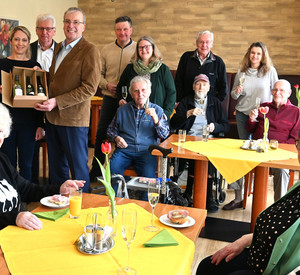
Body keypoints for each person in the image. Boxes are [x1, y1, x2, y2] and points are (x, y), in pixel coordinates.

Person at [196, 128, 300, 275]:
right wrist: (244, 240)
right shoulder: (298, 187)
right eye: (299, 144)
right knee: (207, 266)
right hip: (259, 254)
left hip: (274, 269)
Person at [34, 7, 101, 193]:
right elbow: (58, 79)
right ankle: (59, 206)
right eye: (67, 21)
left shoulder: (90, 51)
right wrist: (40, 76)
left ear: (83, 27)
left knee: (78, 170)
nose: (71, 26)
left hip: (73, 121)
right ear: (63, 24)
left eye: (76, 22)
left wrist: (57, 101)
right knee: (57, 171)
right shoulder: (59, 47)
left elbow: (89, 88)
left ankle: (85, 207)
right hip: (53, 118)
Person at [0, 103, 84, 231]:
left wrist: (59, 189)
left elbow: (26, 189)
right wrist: (15, 218)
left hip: (18, 233)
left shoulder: (2, 160)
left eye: (0, 131)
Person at [225, 79, 300, 211]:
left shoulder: (296, 112)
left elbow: (293, 139)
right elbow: (250, 129)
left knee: (282, 171)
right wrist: (252, 119)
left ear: (289, 93)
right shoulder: (264, 106)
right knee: (234, 159)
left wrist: (275, 148)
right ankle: (238, 198)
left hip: (279, 153)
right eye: (275, 89)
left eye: (281, 90)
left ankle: (279, 206)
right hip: (257, 149)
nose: (277, 93)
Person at [223, 42, 278, 211]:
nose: (255, 56)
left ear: (263, 56)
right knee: (242, 154)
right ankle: (239, 197)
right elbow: (233, 95)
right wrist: (237, 91)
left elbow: (276, 92)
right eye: (252, 53)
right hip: (242, 115)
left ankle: (255, 193)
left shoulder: (269, 72)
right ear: (249, 54)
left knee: (257, 153)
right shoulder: (242, 71)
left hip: (261, 117)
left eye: (258, 54)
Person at [170, 74, 229, 212]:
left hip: (209, 139)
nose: (201, 87)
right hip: (189, 140)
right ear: (193, 86)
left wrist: (215, 127)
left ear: (209, 88)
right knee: (195, 156)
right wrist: (188, 113)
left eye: (204, 85)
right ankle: (196, 195)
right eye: (198, 84)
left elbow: (226, 126)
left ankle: (199, 195)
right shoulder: (186, 101)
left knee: (206, 156)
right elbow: (173, 123)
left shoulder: (214, 102)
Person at [89, 16, 136, 180]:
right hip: (109, 98)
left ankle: (124, 171)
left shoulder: (138, 49)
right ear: (115, 30)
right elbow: (97, 75)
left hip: (130, 101)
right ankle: (96, 169)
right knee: (102, 132)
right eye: (118, 29)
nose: (122, 32)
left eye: (125, 29)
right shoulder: (106, 49)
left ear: (130, 30)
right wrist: (106, 84)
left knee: (127, 134)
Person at [0, 26, 43, 181]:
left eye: (24, 40)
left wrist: (40, 125)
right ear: (11, 41)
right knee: (8, 163)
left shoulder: (35, 66)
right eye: (17, 39)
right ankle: (12, 197)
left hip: (29, 123)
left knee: (27, 164)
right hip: (6, 124)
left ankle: (26, 198)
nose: (20, 43)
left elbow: (40, 98)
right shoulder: (1, 64)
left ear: (28, 42)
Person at [108, 76, 169, 181]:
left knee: (148, 177)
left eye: (143, 90)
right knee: (112, 170)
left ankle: (143, 198)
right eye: (136, 91)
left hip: (146, 152)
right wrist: (116, 138)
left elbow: (165, 135)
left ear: (149, 92)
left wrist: (156, 120)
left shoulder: (157, 111)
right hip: (124, 151)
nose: (140, 94)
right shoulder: (122, 110)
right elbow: (110, 130)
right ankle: (118, 196)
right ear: (131, 94)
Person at [116, 35, 176, 120]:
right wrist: (120, 99)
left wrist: (166, 113)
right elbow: (120, 87)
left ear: (153, 48)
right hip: (133, 115)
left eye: (147, 47)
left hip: (156, 115)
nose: (144, 50)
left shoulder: (163, 69)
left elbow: (171, 93)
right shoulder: (130, 68)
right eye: (140, 47)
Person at [30, 13, 57, 184]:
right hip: (33, 105)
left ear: (54, 31)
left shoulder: (63, 50)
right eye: (41, 28)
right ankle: (32, 184)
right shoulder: (28, 49)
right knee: (32, 147)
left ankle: (54, 185)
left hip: (56, 105)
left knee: (56, 148)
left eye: (48, 29)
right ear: (36, 30)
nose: (44, 32)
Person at [175, 30, 227, 103]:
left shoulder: (218, 62)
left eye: (207, 42)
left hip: (209, 106)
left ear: (212, 44)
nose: (204, 45)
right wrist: (179, 101)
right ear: (196, 43)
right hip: (187, 104)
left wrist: (214, 104)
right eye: (201, 42)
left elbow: (223, 89)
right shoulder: (186, 57)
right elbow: (178, 82)